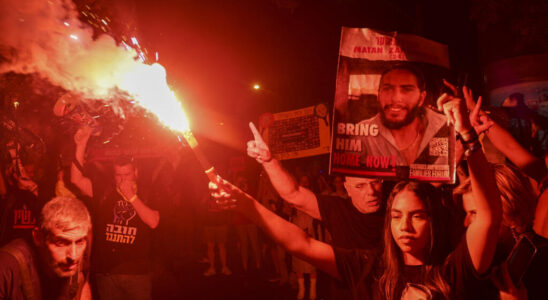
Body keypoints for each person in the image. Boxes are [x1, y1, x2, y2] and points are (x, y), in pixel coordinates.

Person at [218, 86, 501, 299]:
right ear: (346, 187)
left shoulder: (451, 271)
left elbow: (483, 212)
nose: (405, 226)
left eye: (416, 216)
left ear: (431, 218)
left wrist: (468, 137)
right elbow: (300, 241)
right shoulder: (372, 270)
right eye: (397, 216)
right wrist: (247, 200)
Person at [247, 122, 385, 298]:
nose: (371, 191)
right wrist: (269, 160)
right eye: (360, 186)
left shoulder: (396, 208)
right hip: (348, 293)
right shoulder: (337, 209)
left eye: (375, 182)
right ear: (347, 188)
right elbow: (293, 194)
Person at [70, 126, 160, 300]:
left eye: (127, 174)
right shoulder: (105, 191)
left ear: (136, 173)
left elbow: (153, 222)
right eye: (118, 175)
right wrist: (81, 145)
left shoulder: (148, 193)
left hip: (137, 273)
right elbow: (76, 179)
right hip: (106, 273)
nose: (123, 179)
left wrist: (132, 198)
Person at [358, 64, 451, 168]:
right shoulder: (361, 134)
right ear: (379, 95)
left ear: (421, 98)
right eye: (388, 89)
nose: (395, 98)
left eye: (407, 89)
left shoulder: (445, 126)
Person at [0, 196, 92, 299]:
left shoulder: (82, 247)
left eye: (79, 242)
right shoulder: (6, 265)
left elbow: (84, 284)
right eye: (61, 242)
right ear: (38, 237)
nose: (73, 256)